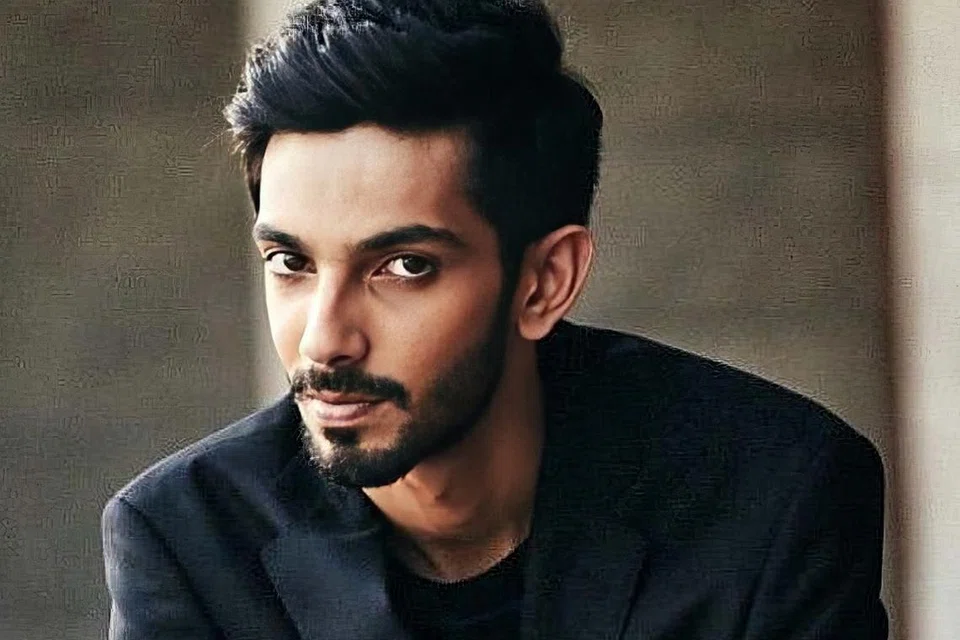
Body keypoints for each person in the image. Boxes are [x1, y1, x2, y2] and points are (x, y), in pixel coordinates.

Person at [101, 1, 888, 638]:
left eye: (404, 267)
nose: (324, 339)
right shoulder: (190, 541)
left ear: (545, 282)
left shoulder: (770, 499)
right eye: (291, 263)